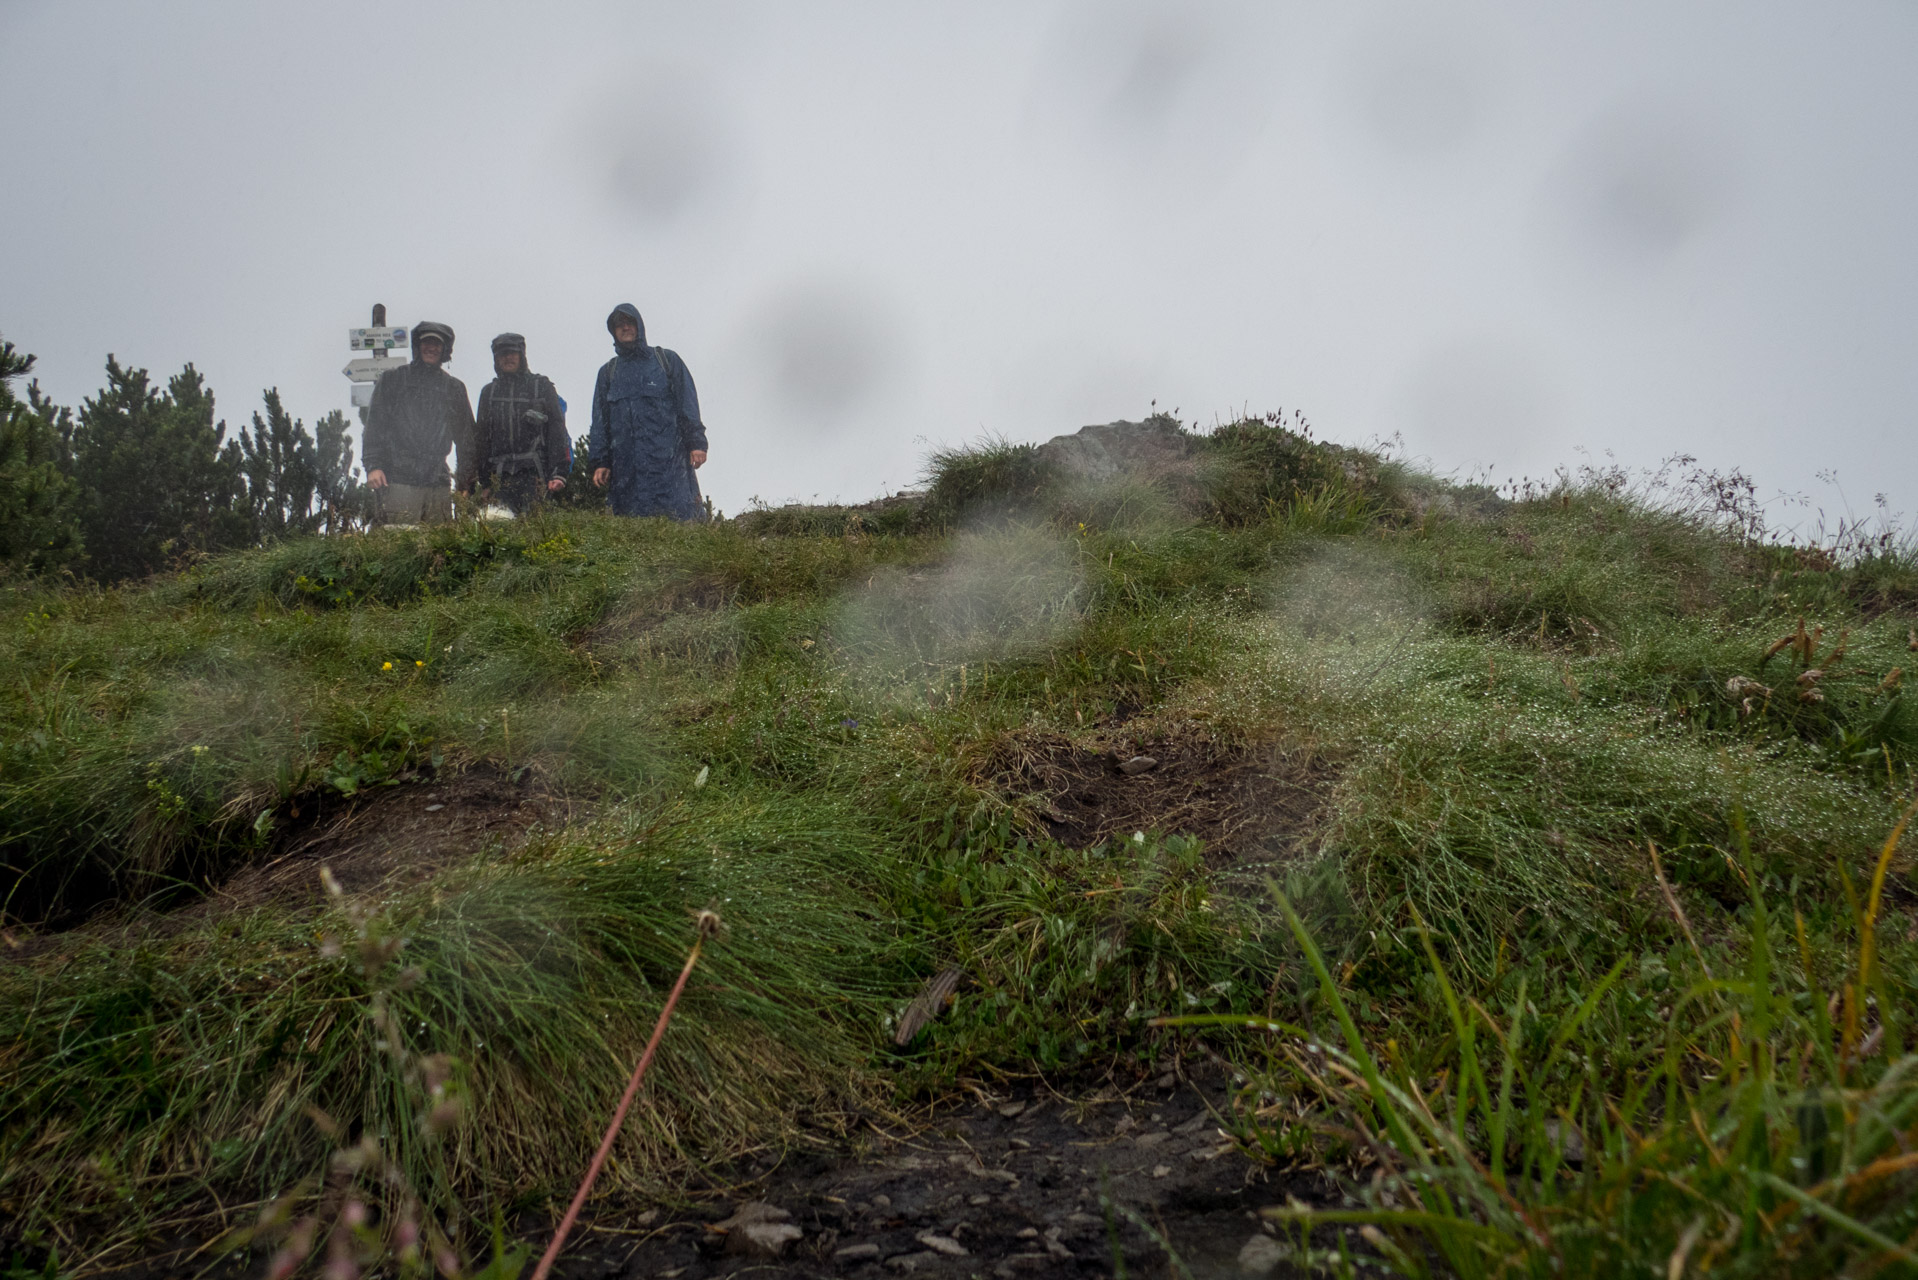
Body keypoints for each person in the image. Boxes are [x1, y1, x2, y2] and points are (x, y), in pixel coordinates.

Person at [589, 303, 708, 520]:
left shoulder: (666, 361)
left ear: (639, 326)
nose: (625, 328)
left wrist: (697, 443)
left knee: (680, 526)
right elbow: (600, 422)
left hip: (670, 468)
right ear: (613, 331)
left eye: (629, 323)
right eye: (619, 325)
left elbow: (687, 405)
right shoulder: (608, 373)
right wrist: (600, 462)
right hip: (626, 473)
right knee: (633, 536)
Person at [363, 321, 475, 524]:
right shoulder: (393, 380)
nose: (431, 348)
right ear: (417, 346)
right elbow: (375, 427)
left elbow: (466, 439)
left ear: (445, 350)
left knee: (439, 549)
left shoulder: (454, 388)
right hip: (398, 479)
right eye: (426, 342)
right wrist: (374, 465)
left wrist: (465, 483)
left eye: (437, 344)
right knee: (397, 547)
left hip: (438, 482)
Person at [473, 332, 569, 514]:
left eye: (512, 353)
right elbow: (482, 440)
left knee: (537, 535)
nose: (508, 358)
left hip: (535, 476)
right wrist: (484, 482)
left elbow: (556, 431)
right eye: (503, 354)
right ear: (496, 359)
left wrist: (558, 472)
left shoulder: (541, 386)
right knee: (502, 535)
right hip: (498, 479)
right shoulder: (488, 393)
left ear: (521, 355)